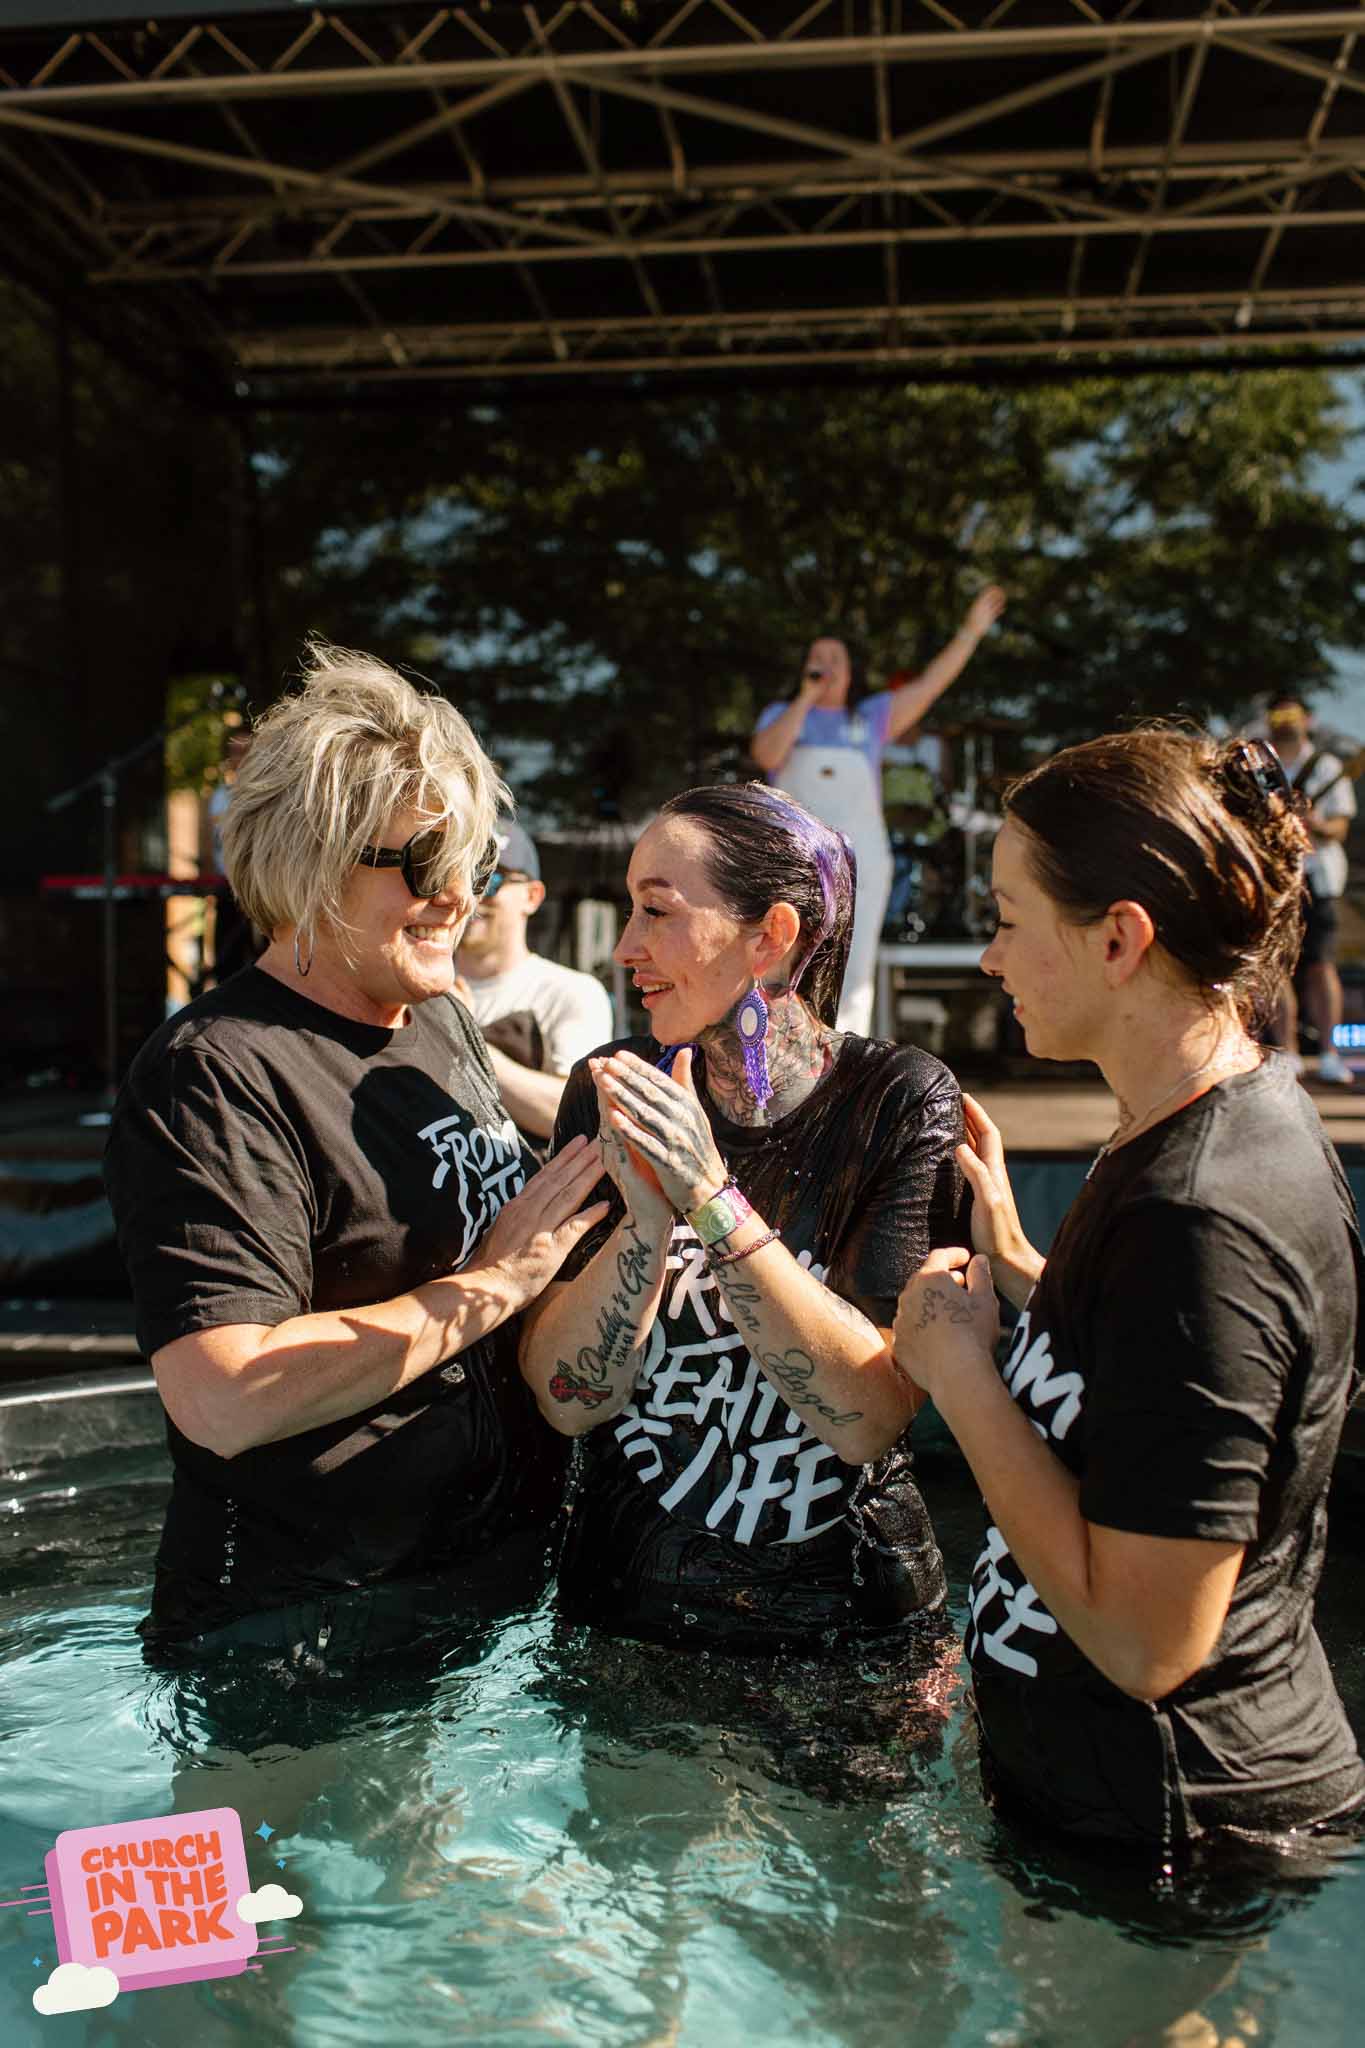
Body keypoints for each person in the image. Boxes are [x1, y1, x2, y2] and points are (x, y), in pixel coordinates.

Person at [892, 728, 1365, 1850]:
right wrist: (1025, 1261)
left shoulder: (1201, 1214)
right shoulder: (1193, 1119)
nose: (990, 958)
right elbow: (1158, 1366)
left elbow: (1148, 1642)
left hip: (1173, 1841)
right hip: (1122, 1814)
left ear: (1118, 939)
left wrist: (960, 1378)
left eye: (1009, 919)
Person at [103, 641, 608, 1667]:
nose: (458, 896)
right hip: (305, 1648)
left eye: (471, 864)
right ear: (311, 861)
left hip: (484, 1595)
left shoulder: (438, 1017)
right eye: (423, 864)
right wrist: (494, 1284)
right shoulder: (218, 1071)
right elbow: (225, 1396)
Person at [518, 780, 967, 1653]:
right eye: (629, 911)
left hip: (846, 1636)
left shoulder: (896, 1102)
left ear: (769, 936)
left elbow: (866, 1418)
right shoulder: (613, 1087)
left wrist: (710, 1196)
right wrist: (644, 1226)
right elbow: (567, 1403)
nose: (625, 947)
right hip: (625, 1623)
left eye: (657, 911)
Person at [750, 586, 1006, 1034]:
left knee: (852, 966)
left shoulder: (870, 719)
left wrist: (970, 632)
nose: (826, 665)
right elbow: (767, 755)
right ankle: (778, 1048)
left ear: (851, 671)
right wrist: (805, 699)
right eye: (817, 657)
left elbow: (931, 685)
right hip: (793, 862)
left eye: (836, 658)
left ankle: (846, 1050)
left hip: (861, 861)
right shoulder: (781, 714)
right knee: (785, 958)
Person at [455, 821, 614, 1149]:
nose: (471, 895)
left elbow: (575, 1113)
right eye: (458, 877)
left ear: (532, 896)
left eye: (490, 880)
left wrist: (466, 1041)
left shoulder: (571, 992)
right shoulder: (417, 987)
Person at [1263, 695, 1358, 1086]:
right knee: (1277, 965)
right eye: (1278, 714)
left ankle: (1330, 1054)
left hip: (1317, 878)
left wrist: (1314, 823)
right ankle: (1288, 1052)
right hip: (1272, 878)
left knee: (1321, 963)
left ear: (1308, 719)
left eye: (1292, 714)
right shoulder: (1260, 767)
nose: (1285, 721)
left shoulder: (1327, 766)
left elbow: (1340, 828)